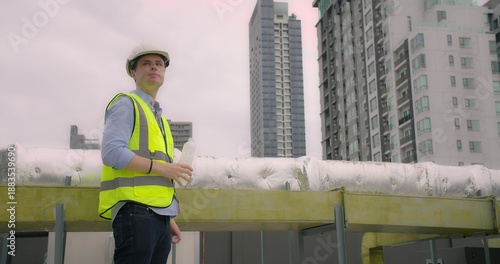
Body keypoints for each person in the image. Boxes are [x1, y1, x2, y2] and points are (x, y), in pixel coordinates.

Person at [98, 43, 193, 264]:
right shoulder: (126, 104)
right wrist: (164, 168)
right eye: (146, 64)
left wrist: (167, 218)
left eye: (159, 64)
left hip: (157, 218)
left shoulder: (159, 119)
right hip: (135, 212)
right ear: (133, 72)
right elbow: (112, 153)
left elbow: (159, 179)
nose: (154, 68)